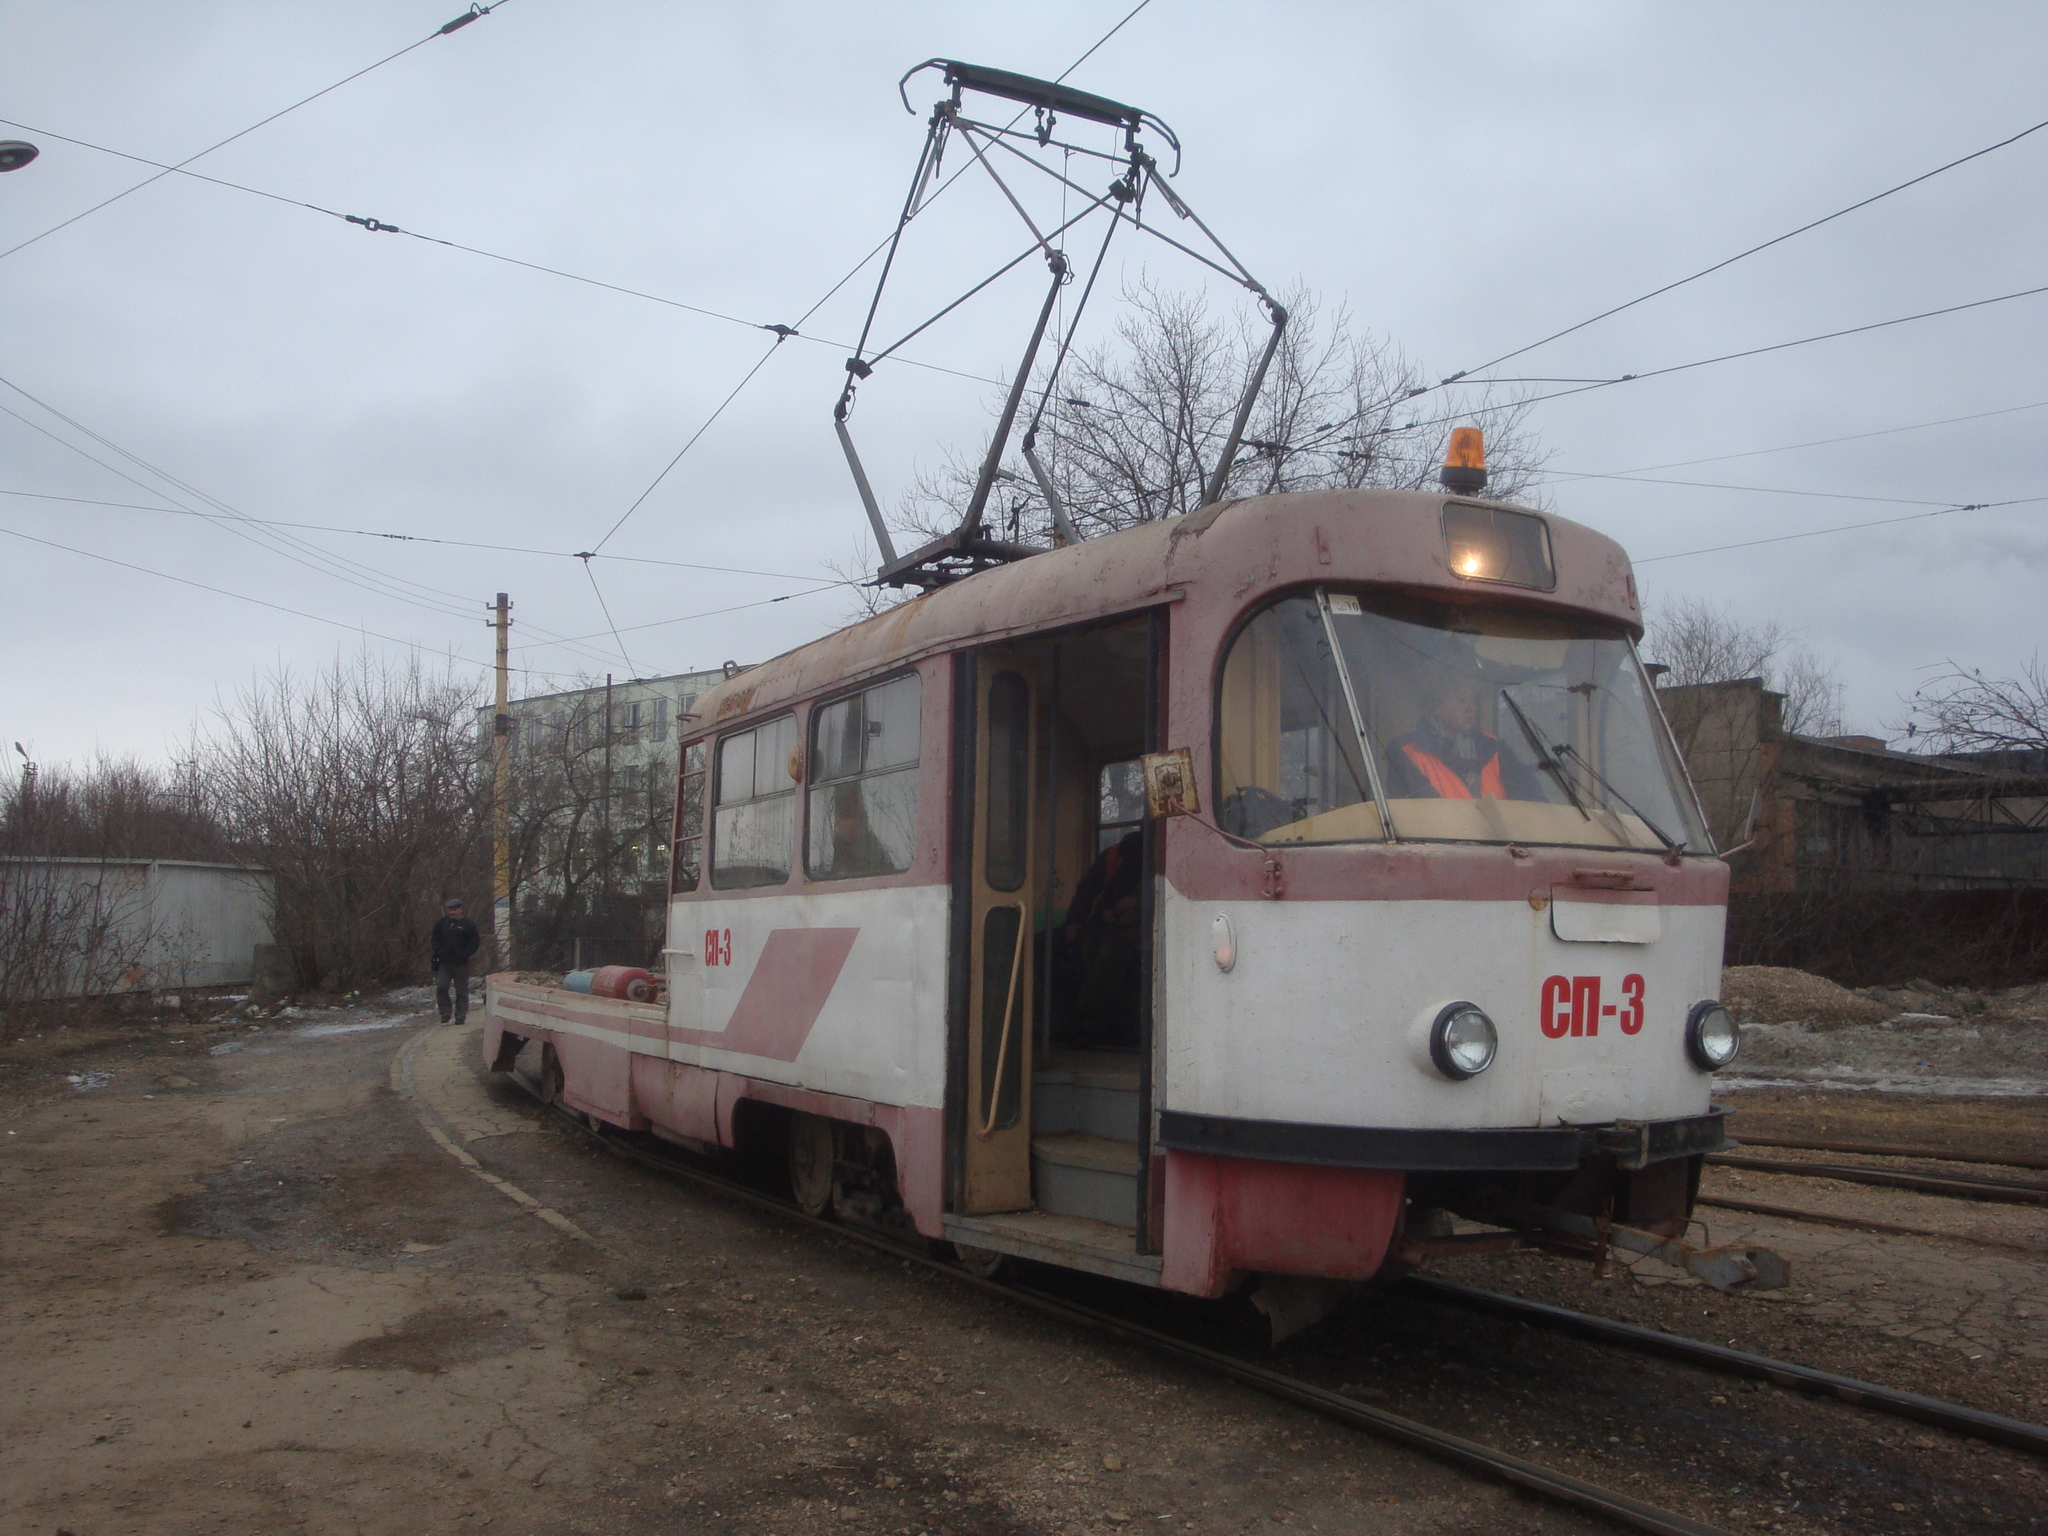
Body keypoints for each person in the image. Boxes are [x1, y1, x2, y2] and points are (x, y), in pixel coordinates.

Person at [1382, 672, 1543, 801]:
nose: (1471, 708)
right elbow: (1420, 821)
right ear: (1435, 705)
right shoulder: (1406, 753)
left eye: (1473, 701)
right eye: (1462, 700)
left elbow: (1534, 801)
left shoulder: (1494, 748)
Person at [1050, 829, 1144, 1049]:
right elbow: (1086, 890)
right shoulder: (1113, 856)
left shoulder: (1164, 858)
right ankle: (1054, 1017)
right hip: (1098, 923)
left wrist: (1136, 907)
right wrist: (1074, 922)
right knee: (1043, 946)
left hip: (1139, 928)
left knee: (1109, 951)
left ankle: (1087, 1018)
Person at [430, 897, 481, 1025]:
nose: (452, 913)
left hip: (461, 963)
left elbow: (474, 941)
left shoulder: (468, 924)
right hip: (445, 962)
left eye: (455, 910)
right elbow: (435, 937)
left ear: (460, 910)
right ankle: (445, 1012)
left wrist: (466, 953)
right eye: (450, 910)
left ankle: (460, 1015)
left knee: (461, 990)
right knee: (442, 987)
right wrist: (438, 950)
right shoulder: (442, 923)